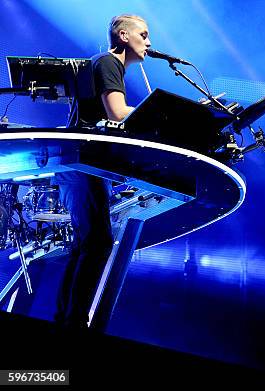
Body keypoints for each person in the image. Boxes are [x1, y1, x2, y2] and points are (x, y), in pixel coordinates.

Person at [54, 14, 151, 328]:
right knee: (97, 243)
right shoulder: (110, 63)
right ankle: (76, 321)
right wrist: (160, 117)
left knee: (87, 243)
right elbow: (118, 113)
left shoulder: (105, 64)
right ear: (124, 36)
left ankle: (68, 318)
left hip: (77, 163)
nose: (149, 43)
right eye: (144, 35)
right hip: (84, 164)